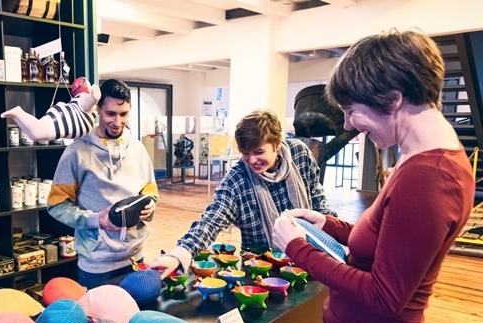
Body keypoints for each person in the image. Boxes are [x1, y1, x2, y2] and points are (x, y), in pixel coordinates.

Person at [272, 30, 474, 323]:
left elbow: (385, 296)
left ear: (394, 98)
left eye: (352, 110)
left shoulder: (428, 176)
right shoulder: (421, 155)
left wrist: (299, 248)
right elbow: (388, 238)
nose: (350, 124)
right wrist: (328, 225)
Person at [150, 108, 336, 278]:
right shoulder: (236, 181)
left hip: (312, 259)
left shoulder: (300, 154)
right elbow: (210, 221)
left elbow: (316, 195)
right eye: (245, 153)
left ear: (277, 144)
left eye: (259, 151)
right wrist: (179, 254)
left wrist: (334, 233)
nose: (252, 160)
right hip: (261, 271)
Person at [46, 79, 158, 288]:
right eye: (110, 114)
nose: (117, 121)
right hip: (96, 266)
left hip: (136, 257)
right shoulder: (76, 152)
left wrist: (150, 206)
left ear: (130, 110)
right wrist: (96, 220)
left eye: (123, 114)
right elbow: (57, 205)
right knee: (101, 320)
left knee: (136, 317)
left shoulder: (138, 149)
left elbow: (150, 191)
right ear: (98, 109)